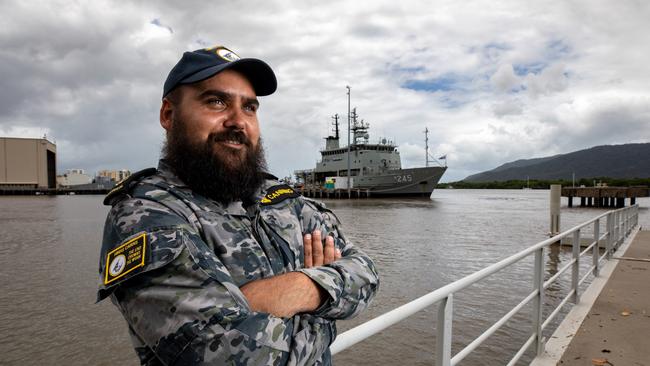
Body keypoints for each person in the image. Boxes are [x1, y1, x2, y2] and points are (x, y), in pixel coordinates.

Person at [97, 45, 379, 365]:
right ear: (168, 114)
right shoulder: (146, 217)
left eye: (249, 107)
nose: (237, 121)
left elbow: (367, 273)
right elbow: (239, 356)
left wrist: (302, 287)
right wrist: (327, 309)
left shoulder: (279, 198)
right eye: (216, 101)